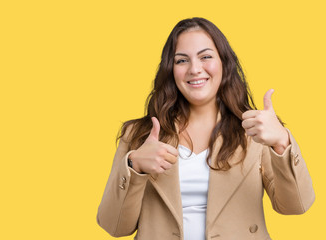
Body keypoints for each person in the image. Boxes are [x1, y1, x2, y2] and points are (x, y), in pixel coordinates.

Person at [96, 17, 315, 240]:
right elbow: (115, 227)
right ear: (171, 70)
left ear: (223, 63)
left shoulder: (255, 131)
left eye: (206, 57)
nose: (195, 69)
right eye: (182, 60)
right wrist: (135, 166)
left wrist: (281, 142)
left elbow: (296, 206)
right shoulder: (139, 135)